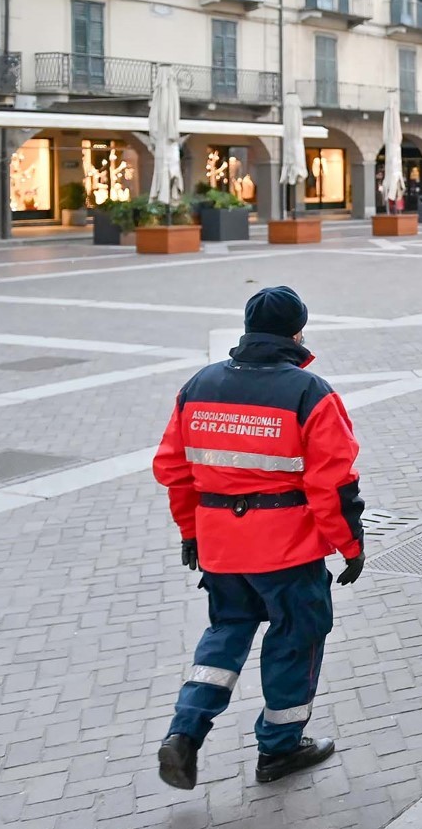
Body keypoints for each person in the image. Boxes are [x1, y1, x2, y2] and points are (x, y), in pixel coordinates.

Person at [152, 287, 367, 789]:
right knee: (295, 638)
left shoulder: (198, 386)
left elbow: (174, 469)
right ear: (297, 333)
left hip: (222, 546)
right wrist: (350, 545)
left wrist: (192, 532)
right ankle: (279, 747)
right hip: (287, 549)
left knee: (226, 632)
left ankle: (184, 732)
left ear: (248, 329)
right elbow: (332, 482)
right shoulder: (309, 392)